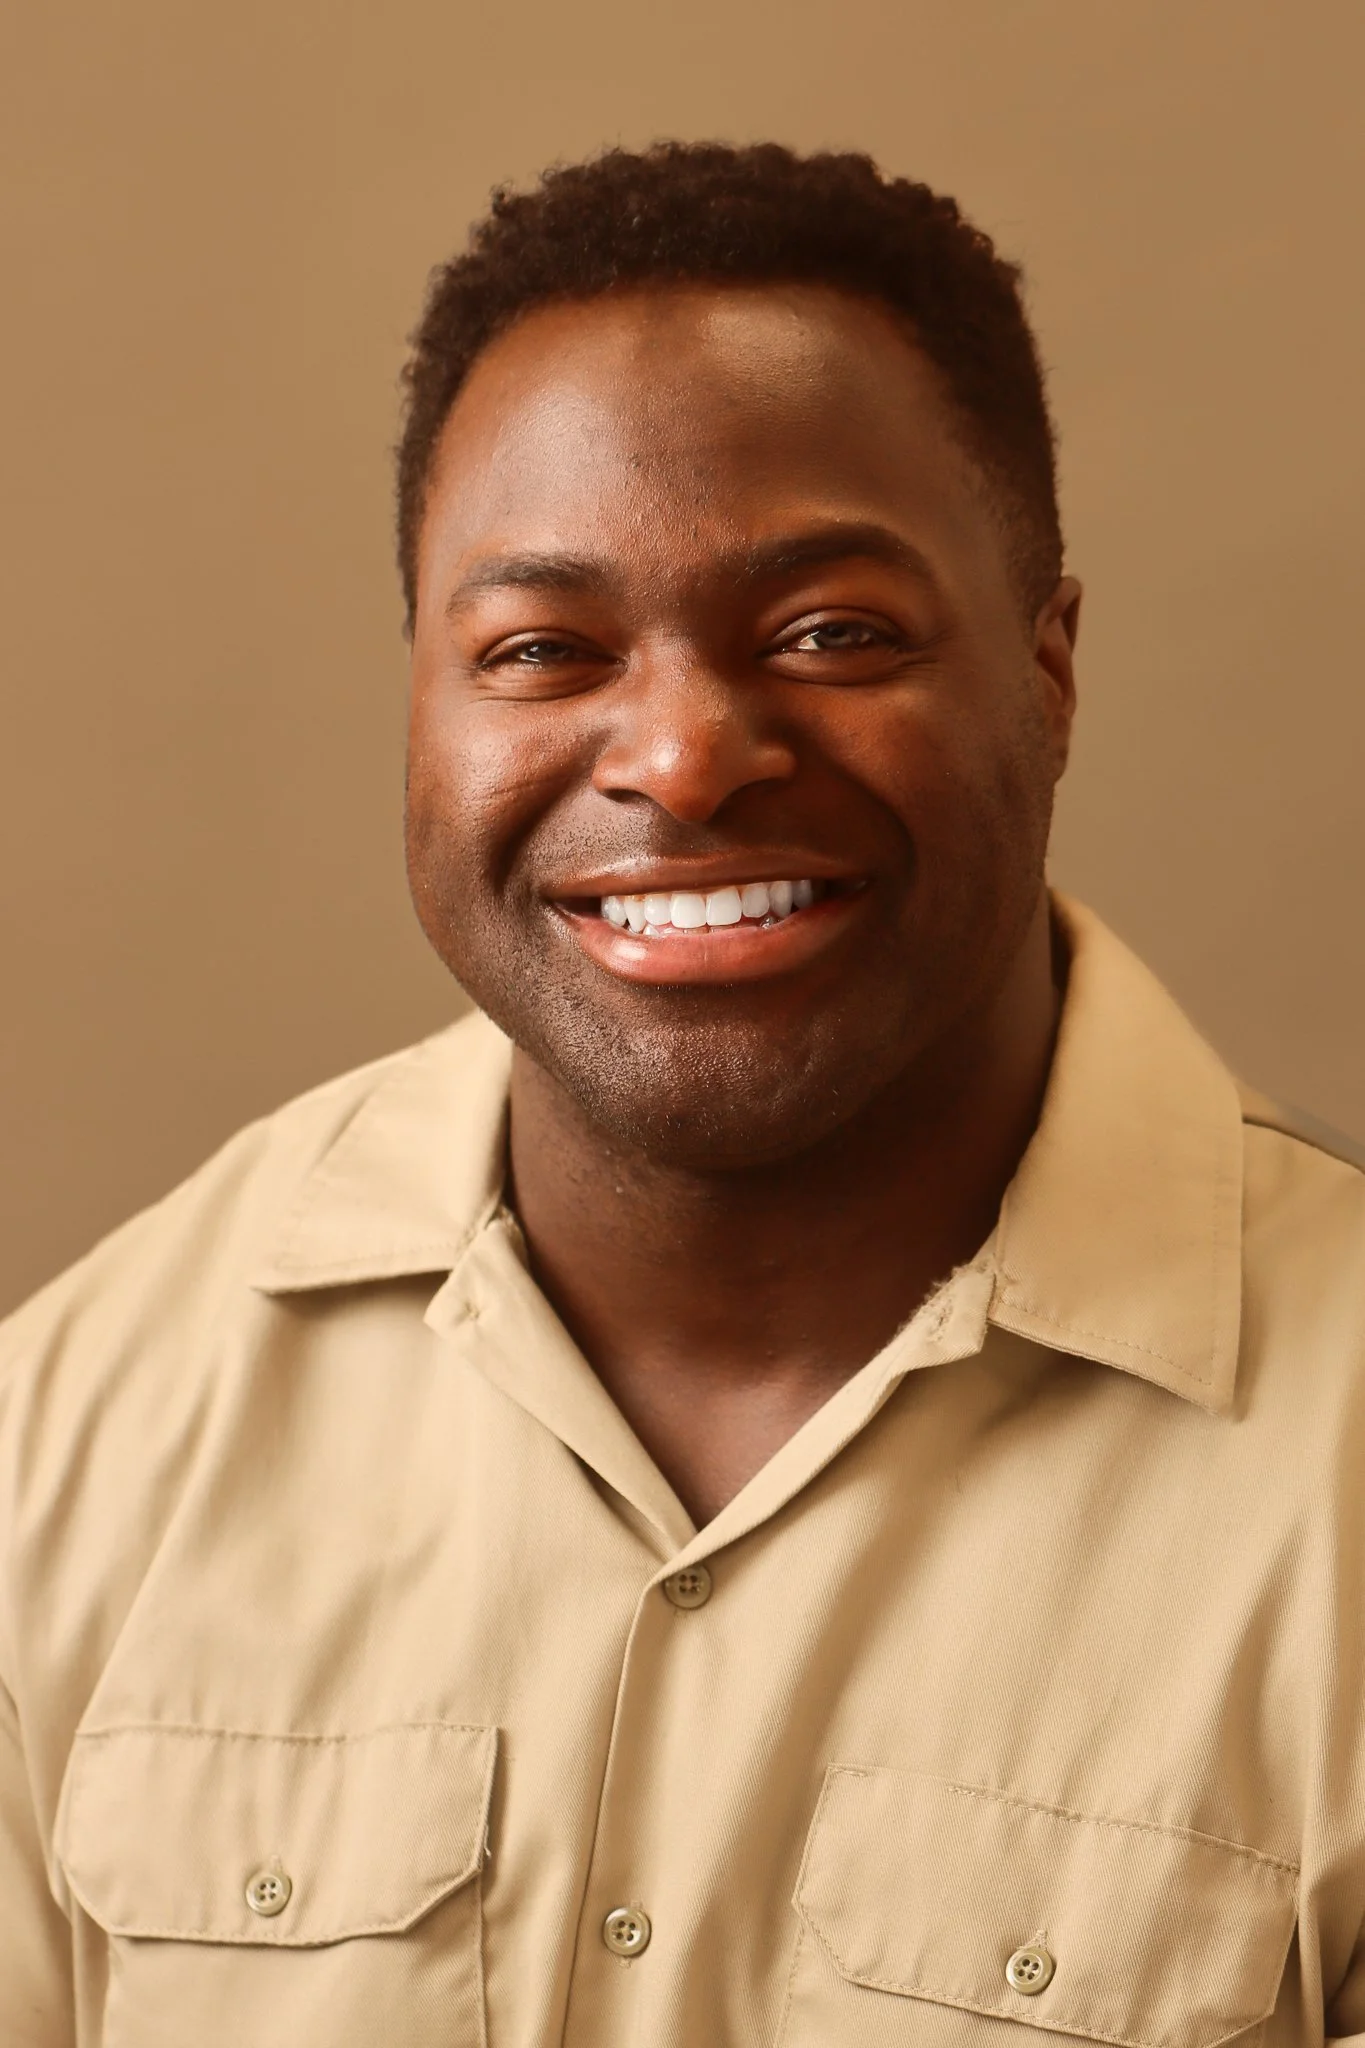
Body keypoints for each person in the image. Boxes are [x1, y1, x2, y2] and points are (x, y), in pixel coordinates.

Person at [2, 140, 1363, 2048]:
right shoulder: (75, 1440)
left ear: (1050, 672)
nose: (684, 758)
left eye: (829, 634)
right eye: (544, 650)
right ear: (420, 700)